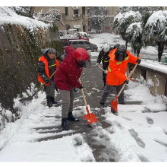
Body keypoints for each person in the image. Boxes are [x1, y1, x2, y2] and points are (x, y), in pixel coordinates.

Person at [54, 46, 90, 131]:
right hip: (61, 81)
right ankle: (64, 120)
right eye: (83, 62)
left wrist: (66, 49)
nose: (85, 63)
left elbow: (67, 48)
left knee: (72, 98)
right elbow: (73, 80)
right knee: (66, 101)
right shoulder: (71, 67)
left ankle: (69, 115)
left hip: (69, 79)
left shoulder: (74, 52)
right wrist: (79, 85)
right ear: (79, 60)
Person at [100, 45, 141, 115]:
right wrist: (124, 78)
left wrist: (136, 60)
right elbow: (115, 71)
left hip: (120, 77)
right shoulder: (112, 59)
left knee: (121, 91)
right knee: (107, 90)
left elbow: (130, 58)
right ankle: (102, 102)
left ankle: (121, 103)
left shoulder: (126, 55)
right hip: (112, 77)